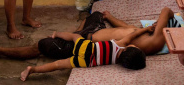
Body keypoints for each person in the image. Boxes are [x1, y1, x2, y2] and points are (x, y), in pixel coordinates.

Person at [0, 7, 176, 59]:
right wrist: (111, 17)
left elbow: (166, 10)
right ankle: (79, 29)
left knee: (43, 46)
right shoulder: (149, 32)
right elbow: (125, 27)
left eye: (160, 23)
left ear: (165, 28)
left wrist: (157, 23)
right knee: (97, 13)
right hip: (94, 32)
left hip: (85, 44)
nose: (157, 23)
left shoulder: (156, 41)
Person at [19, 28, 148, 81]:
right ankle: (32, 69)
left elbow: (133, 35)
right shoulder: (117, 62)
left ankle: (56, 34)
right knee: (58, 65)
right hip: (85, 62)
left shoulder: (120, 44)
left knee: (75, 36)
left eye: (135, 47)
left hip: (86, 47)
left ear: (126, 50)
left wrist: (146, 29)